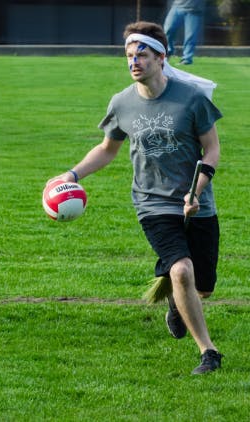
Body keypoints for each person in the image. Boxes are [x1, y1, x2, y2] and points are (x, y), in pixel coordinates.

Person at [47, 21, 223, 375]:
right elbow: (107, 149)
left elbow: (212, 148)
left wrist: (197, 190)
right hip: (151, 203)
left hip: (197, 203)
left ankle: (176, 301)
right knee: (181, 269)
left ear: (161, 57)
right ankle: (208, 351)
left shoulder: (192, 99)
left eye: (141, 54)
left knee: (200, 288)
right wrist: (72, 174)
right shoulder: (121, 103)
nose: (133, 62)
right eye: (129, 55)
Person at [163, 0, 206, 65]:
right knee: (168, 30)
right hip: (177, 7)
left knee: (190, 36)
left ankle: (187, 59)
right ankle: (167, 52)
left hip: (194, 10)